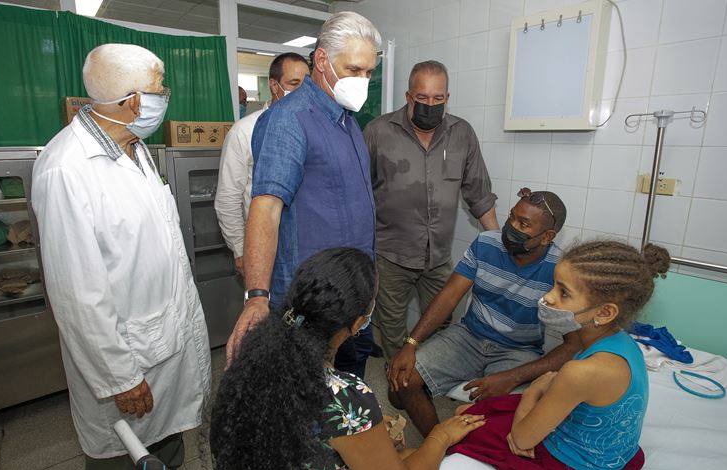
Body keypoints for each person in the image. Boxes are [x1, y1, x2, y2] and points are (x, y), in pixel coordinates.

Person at [32, 43, 211, 469]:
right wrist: (120, 378)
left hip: (162, 340)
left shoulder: (134, 147)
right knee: (127, 453)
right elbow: (77, 294)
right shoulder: (67, 169)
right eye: (158, 89)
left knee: (166, 442)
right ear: (133, 101)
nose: (164, 95)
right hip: (128, 359)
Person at [211, 247, 487, 470]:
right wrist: (441, 436)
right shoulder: (347, 397)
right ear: (357, 323)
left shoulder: (248, 362)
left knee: (409, 453)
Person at [225, 11, 382, 378]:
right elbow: (266, 208)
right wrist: (257, 296)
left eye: (369, 73)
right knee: (306, 401)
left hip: (353, 298)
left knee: (347, 394)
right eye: (355, 69)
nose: (363, 81)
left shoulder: (348, 121)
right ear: (323, 61)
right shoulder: (288, 119)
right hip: (311, 305)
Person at [449, 241, 670, 470]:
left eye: (563, 292)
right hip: (614, 452)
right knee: (470, 412)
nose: (549, 298)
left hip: (570, 463)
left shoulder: (581, 372)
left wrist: (533, 391)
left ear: (604, 312)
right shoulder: (624, 342)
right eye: (553, 285)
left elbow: (523, 440)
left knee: (461, 425)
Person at [387, 188, 578, 438]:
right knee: (403, 382)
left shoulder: (561, 271)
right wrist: (411, 343)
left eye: (524, 224)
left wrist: (512, 377)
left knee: (499, 412)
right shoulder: (486, 243)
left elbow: (573, 345)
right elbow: (450, 295)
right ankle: (441, 444)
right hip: (469, 336)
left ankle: (471, 451)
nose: (511, 227)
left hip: (519, 350)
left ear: (547, 236)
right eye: (512, 217)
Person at [365, 60, 499, 360]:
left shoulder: (462, 134)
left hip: (438, 256)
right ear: (408, 96)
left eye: (438, 99)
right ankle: (396, 379)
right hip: (390, 255)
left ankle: (429, 374)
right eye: (422, 98)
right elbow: (359, 195)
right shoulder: (378, 132)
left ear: (447, 98)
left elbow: (479, 195)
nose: (430, 105)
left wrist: (498, 247)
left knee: (441, 321)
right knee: (392, 326)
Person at [215, 53, 309, 276]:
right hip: (264, 250)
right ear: (274, 86)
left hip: (305, 249)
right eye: (294, 84)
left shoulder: (310, 128)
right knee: (265, 309)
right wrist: (240, 251)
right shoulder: (244, 131)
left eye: (307, 85)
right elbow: (228, 198)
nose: (303, 92)